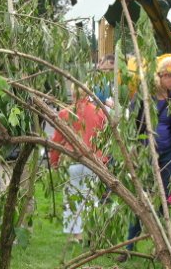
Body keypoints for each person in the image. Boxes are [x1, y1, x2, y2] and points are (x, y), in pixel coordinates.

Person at [117, 54, 171, 262]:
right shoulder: (143, 97)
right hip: (147, 154)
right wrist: (136, 149)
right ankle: (130, 244)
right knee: (141, 199)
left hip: (168, 155)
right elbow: (134, 125)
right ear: (161, 76)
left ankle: (162, 246)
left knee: (163, 201)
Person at [49, 91, 107, 242]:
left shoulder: (65, 113)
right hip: (94, 159)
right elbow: (106, 138)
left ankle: (76, 235)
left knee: (72, 197)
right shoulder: (100, 112)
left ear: (73, 95)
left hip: (72, 158)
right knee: (91, 196)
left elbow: (57, 140)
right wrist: (104, 159)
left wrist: (54, 161)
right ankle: (92, 231)